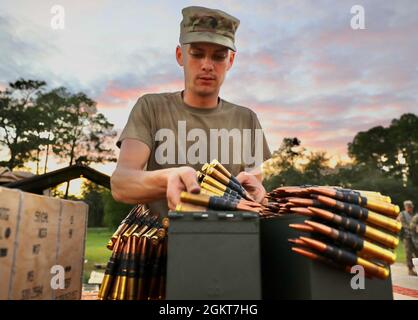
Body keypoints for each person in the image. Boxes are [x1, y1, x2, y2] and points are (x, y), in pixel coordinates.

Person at [111, 6, 271, 216]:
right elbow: (122, 183)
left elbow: (255, 193)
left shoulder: (247, 119)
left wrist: (261, 196)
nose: (207, 65)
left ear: (230, 61)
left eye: (219, 56)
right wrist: (168, 178)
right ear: (180, 55)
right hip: (160, 244)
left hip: (231, 243)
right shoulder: (151, 107)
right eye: (197, 54)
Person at [397, 200, 418, 276]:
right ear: (406, 207)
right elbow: (402, 224)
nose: (410, 208)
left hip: (414, 237)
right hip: (406, 237)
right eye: (409, 207)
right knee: (408, 253)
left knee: (416, 252)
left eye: (411, 207)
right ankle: (410, 269)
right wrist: (412, 227)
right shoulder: (402, 214)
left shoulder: (413, 215)